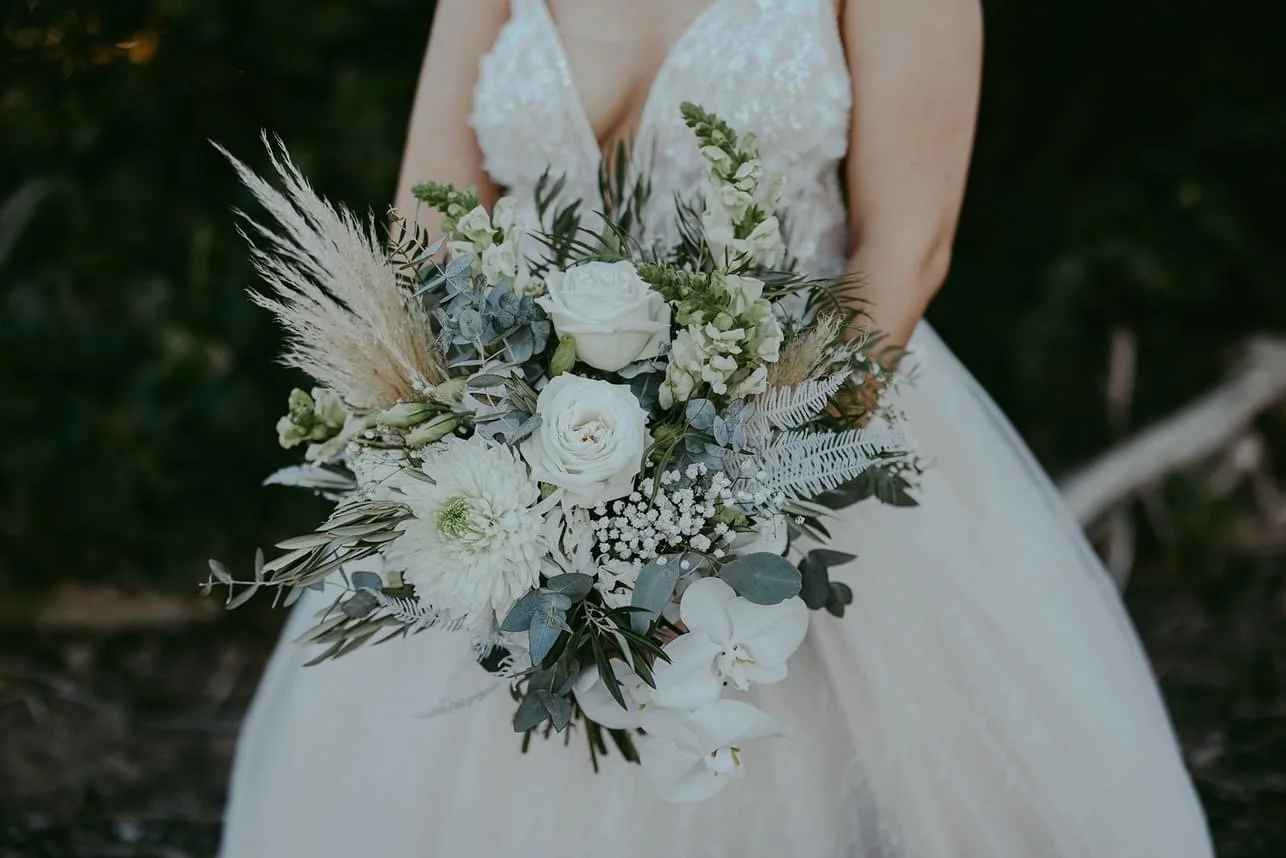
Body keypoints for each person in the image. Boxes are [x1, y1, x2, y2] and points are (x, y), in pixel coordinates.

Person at [218, 1, 1215, 855]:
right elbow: (424, 227)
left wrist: (726, 505)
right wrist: (468, 452)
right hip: (511, 449)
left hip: (803, 432)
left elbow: (908, 246)